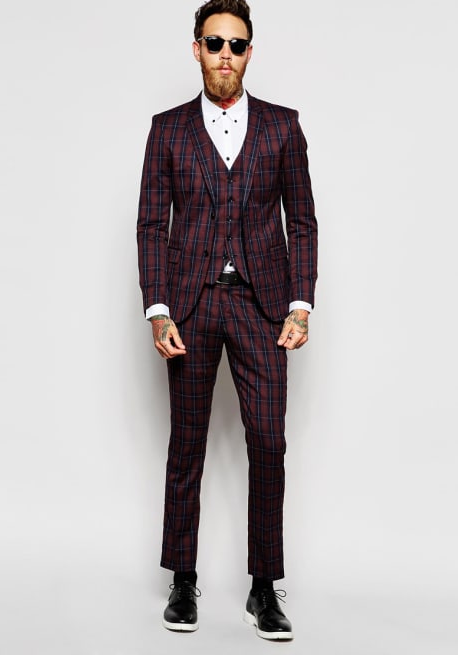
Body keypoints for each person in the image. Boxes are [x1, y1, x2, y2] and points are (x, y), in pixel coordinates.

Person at [137, 0, 317, 641]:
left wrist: (300, 303)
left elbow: (303, 222)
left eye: (236, 45)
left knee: (268, 444)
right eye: (214, 43)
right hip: (190, 305)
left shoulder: (282, 127)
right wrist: (158, 308)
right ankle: (182, 579)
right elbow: (152, 224)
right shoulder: (167, 130)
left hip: (262, 307)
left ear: (249, 53)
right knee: (186, 445)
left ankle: (264, 587)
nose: (225, 55)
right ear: (197, 49)